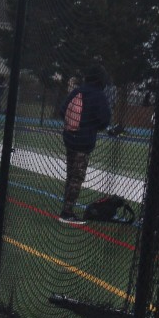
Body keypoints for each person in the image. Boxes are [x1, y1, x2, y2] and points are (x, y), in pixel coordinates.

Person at [57, 65, 111, 224]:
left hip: (69, 139)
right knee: (77, 177)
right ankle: (67, 213)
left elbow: (62, 111)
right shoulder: (99, 95)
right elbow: (105, 120)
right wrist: (90, 125)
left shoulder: (77, 91)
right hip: (84, 141)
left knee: (71, 175)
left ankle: (66, 208)